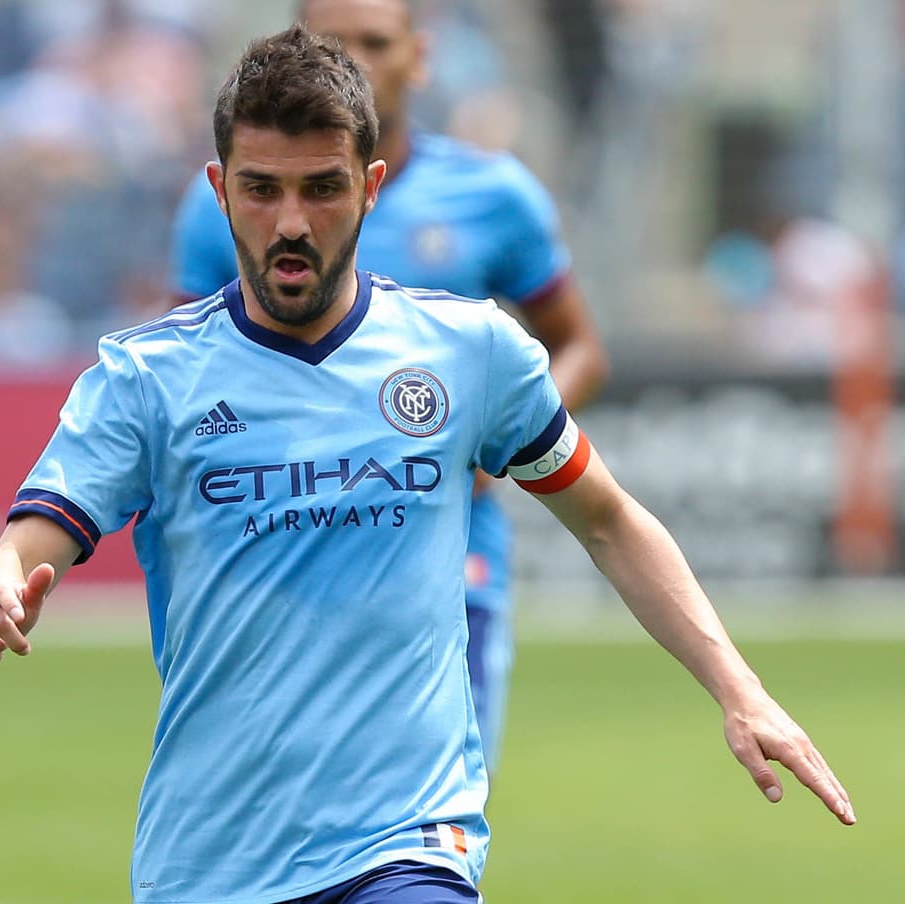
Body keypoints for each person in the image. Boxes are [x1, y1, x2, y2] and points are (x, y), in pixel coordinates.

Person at [0, 24, 854, 904]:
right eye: (263, 190)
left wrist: (741, 690)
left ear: (373, 186)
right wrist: (0, 574)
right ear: (219, 191)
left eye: (324, 189)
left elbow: (610, 521)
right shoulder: (144, 379)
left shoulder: (467, 351)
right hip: (209, 860)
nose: (292, 223)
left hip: (406, 845)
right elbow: (40, 532)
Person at [167, 0, 610, 773]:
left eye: (375, 43)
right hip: (283, 555)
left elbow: (576, 349)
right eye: (336, 44)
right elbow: (185, 375)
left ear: (419, 57)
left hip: (453, 557)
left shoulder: (492, 195)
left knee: (437, 800)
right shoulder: (230, 204)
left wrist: (498, 441)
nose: (358, 62)